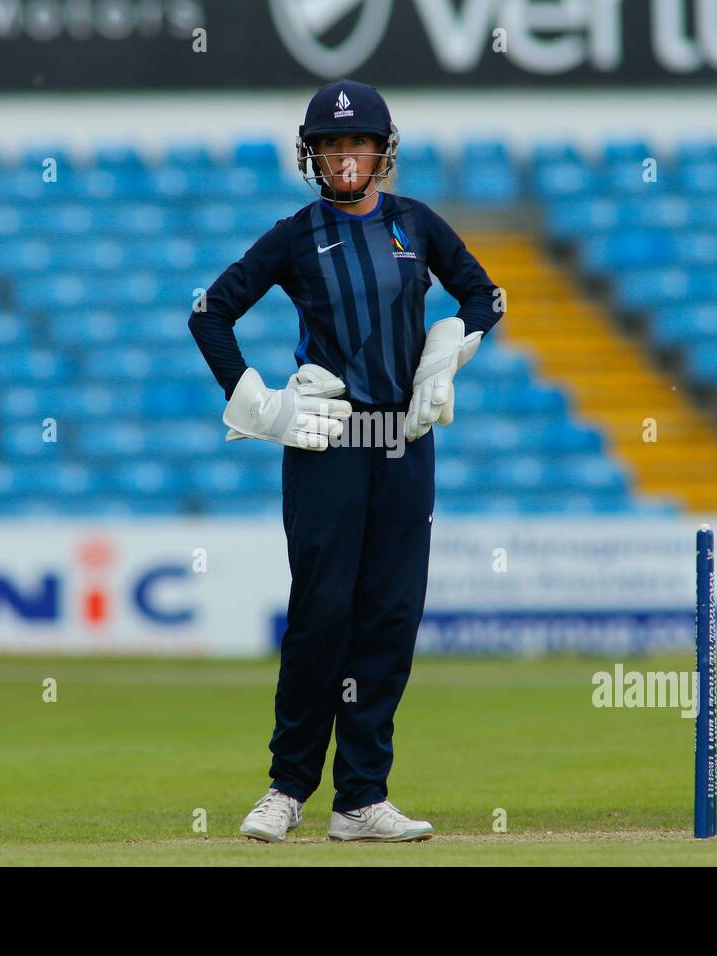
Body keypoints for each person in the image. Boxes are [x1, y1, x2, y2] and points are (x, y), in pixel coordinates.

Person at [188, 79, 502, 842]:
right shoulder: (297, 234)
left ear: (381, 151)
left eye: (356, 142)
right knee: (322, 618)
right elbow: (210, 314)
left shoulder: (417, 225)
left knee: (390, 619)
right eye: (330, 145)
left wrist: (445, 354)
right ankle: (287, 788)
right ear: (312, 155)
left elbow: (485, 297)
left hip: (404, 449)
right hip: (327, 448)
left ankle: (361, 798)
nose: (344, 156)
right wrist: (259, 403)